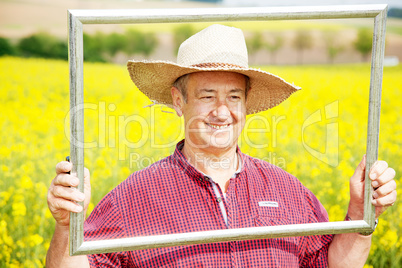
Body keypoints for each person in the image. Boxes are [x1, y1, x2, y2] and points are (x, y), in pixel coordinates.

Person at [46, 24, 397, 267]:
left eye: (233, 96)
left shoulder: (289, 191)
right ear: (178, 101)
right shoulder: (131, 200)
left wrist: (361, 212)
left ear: (246, 104)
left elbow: (331, 264)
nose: (222, 111)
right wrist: (67, 227)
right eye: (207, 95)